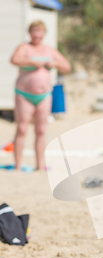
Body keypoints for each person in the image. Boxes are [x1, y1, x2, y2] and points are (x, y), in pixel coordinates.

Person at [10, 21, 71, 170]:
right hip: (24, 94)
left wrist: (54, 64)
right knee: (22, 129)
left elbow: (67, 67)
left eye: (40, 31)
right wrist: (33, 62)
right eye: (34, 31)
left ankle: (39, 165)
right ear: (29, 32)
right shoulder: (24, 47)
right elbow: (14, 60)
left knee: (41, 130)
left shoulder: (49, 50)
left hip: (44, 95)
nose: (37, 34)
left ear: (44, 33)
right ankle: (18, 166)